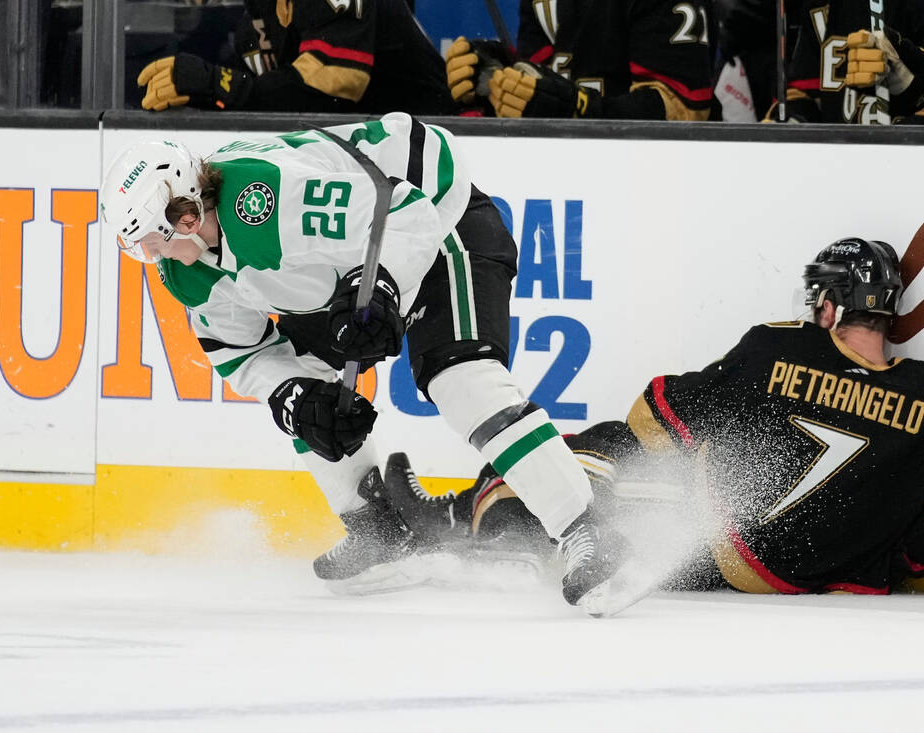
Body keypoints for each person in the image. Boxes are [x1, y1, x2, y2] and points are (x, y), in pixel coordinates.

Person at [98, 113, 622, 608]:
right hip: (342, 265)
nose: (151, 256)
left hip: (440, 223)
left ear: (185, 214)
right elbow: (242, 351)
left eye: (149, 241)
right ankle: (382, 528)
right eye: (137, 247)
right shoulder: (186, 269)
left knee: (459, 379)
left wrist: (384, 288)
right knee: (306, 400)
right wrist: (290, 394)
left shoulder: (263, 203)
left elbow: (403, 210)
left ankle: (586, 527)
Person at [385, 238, 924, 600]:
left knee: (600, 447)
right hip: (788, 578)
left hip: (721, 542)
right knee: (639, 503)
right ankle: (479, 525)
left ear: (827, 305)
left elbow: (653, 419)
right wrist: (885, 556)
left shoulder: (782, 347)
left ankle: (457, 526)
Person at [136, 0, 454, 115]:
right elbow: (267, 100)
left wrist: (216, 85)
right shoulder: (253, 25)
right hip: (364, 165)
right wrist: (201, 89)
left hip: (437, 156)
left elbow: (327, 92)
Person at [446, 0, 714, 120]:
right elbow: (543, 77)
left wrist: (577, 108)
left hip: (653, 180)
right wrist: (497, 78)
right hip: (564, 168)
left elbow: (685, 111)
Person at [772, 0, 924, 124]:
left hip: (908, 161)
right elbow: (805, 91)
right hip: (835, 161)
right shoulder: (818, 6)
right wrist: (794, 119)